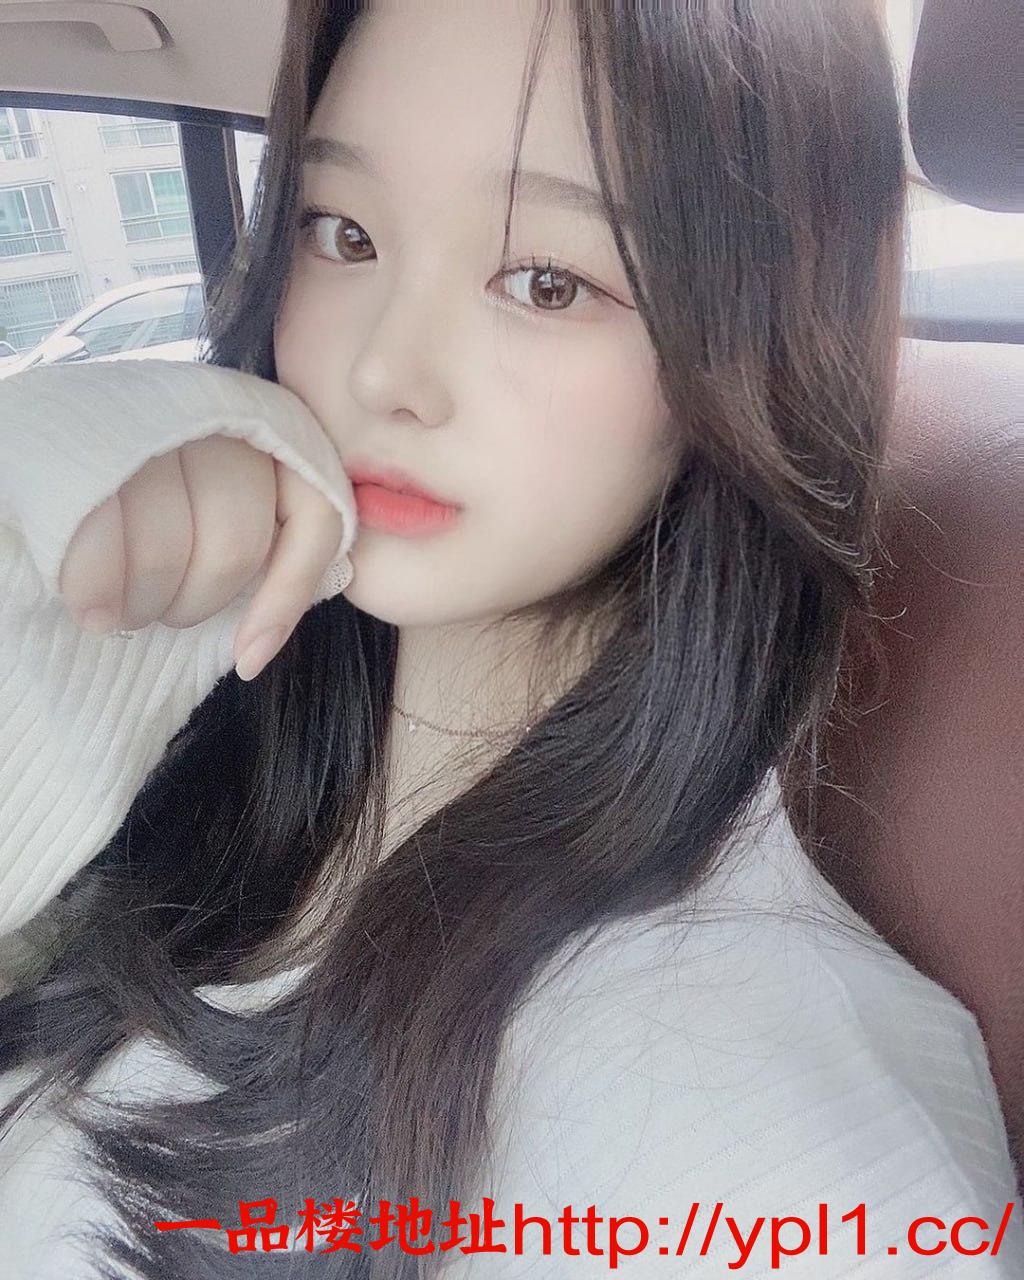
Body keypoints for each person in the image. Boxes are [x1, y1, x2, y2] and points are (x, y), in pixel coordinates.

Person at [0, 0, 1020, 1276]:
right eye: (344, 232)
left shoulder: (761, 1127)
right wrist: (35, 556)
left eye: (547, 281)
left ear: (752, 337)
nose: (385, 371)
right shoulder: (219, 752)